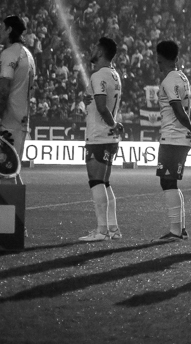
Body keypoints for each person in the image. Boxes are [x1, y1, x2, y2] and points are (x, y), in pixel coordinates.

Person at [155, 40, 191, 241]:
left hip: (173, 137)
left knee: (168, 181)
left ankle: (175, 231)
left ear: (159, 58)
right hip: (178, 137)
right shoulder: (182, 78)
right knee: (170, 181)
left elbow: (178, 109)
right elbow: (190, 108)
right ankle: (180, 229)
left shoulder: (169, 80)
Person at [80, 37, 123, 242]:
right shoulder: (115, 75)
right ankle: (112, 228)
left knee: (96, 181)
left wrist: (112, 124)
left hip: (98, 135)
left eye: (96, 47)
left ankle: (102, 231)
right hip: (110, 137)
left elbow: (101, 106)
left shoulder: (98, 75)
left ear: (102, 51)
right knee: (105, 182)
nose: (93, 50)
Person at [0, 15, 36, 185]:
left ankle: (12, 212)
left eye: (2, 27)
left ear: (9, 30)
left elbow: (3, 91)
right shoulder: (28, 55)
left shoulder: (9, 54)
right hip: (22, 120)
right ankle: (18, 212)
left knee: (5, 173)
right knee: (12, 171)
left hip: (8, 122)